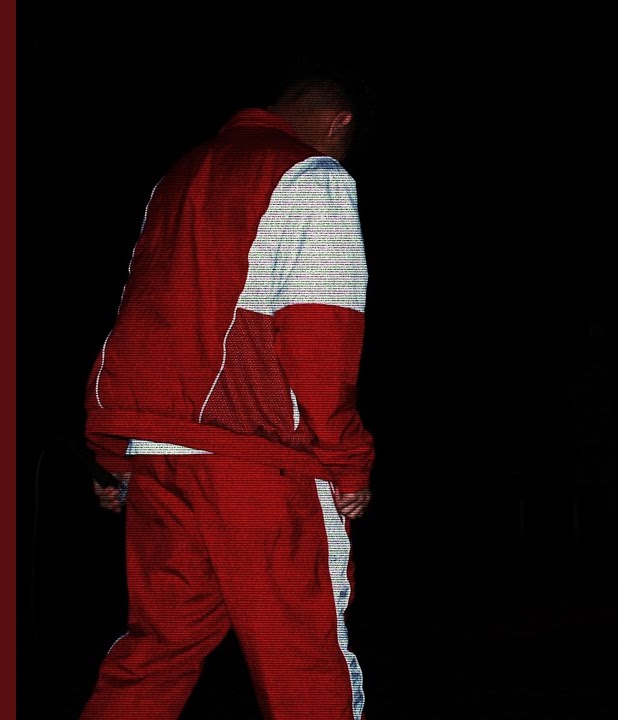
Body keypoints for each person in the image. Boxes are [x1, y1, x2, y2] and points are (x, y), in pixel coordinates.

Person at [78, 67, 375, 720]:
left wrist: (116, 455)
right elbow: (322, 335)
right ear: (339, 124)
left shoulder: (175, 180)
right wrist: (349, 461)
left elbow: (136, 320)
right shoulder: (316, 177)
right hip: (257, 468)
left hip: (161, 464)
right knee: (306, 665)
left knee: (153, 658)